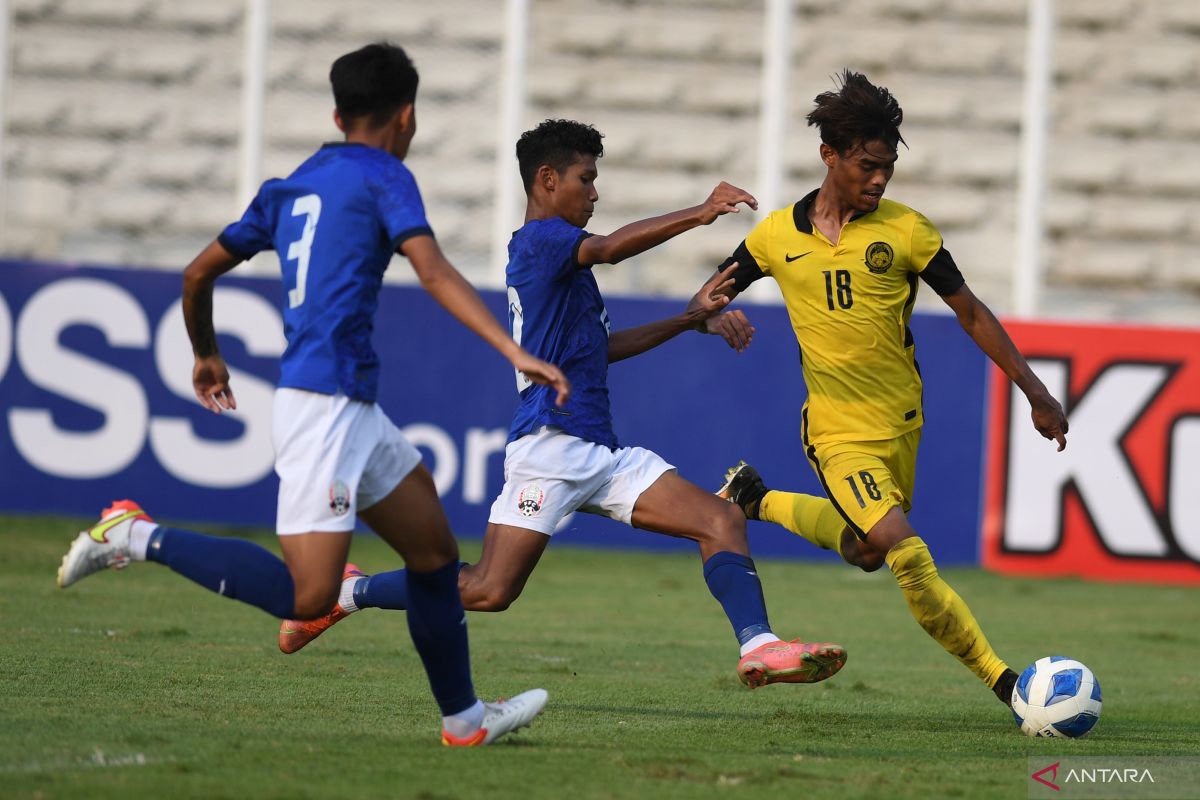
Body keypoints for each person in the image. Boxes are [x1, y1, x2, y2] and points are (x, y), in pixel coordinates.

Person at [55, 42, 572, 747]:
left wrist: (206, 352)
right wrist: (513, 350)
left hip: (351, 406)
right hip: (322, 409)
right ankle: (134, 534)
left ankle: (465, 721)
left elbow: (196, 273)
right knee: (309, 598)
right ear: (408, 115)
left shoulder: (291, 184)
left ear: (337, 112)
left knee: (434, 555)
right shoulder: (385, 175)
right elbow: (433, 270)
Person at [276, 118, 848, 690]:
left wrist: (686, 320)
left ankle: (761, 647)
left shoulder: (561, 266)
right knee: (488, 590)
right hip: (552, 446)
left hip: (599, 452)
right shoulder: (541, 240)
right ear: (547, 179)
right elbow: (609, 250)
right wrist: (698, 213)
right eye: (586, 179)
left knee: (720, 519)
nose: (594, 193)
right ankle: (346, 593)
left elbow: (600, 351)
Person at [709, 70, 1069, 710]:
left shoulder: (907, 231)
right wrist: (715, 313)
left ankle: (754, 498)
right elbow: (709, 295)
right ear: (830, 156)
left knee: (863, 549)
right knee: (904, 551)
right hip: (836, 432)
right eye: (867, 166)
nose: (878, 180)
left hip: (902, 424)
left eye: (887, 169)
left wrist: (1035, 392)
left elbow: (973, 312)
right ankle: (1009, 686)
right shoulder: (775, 237)